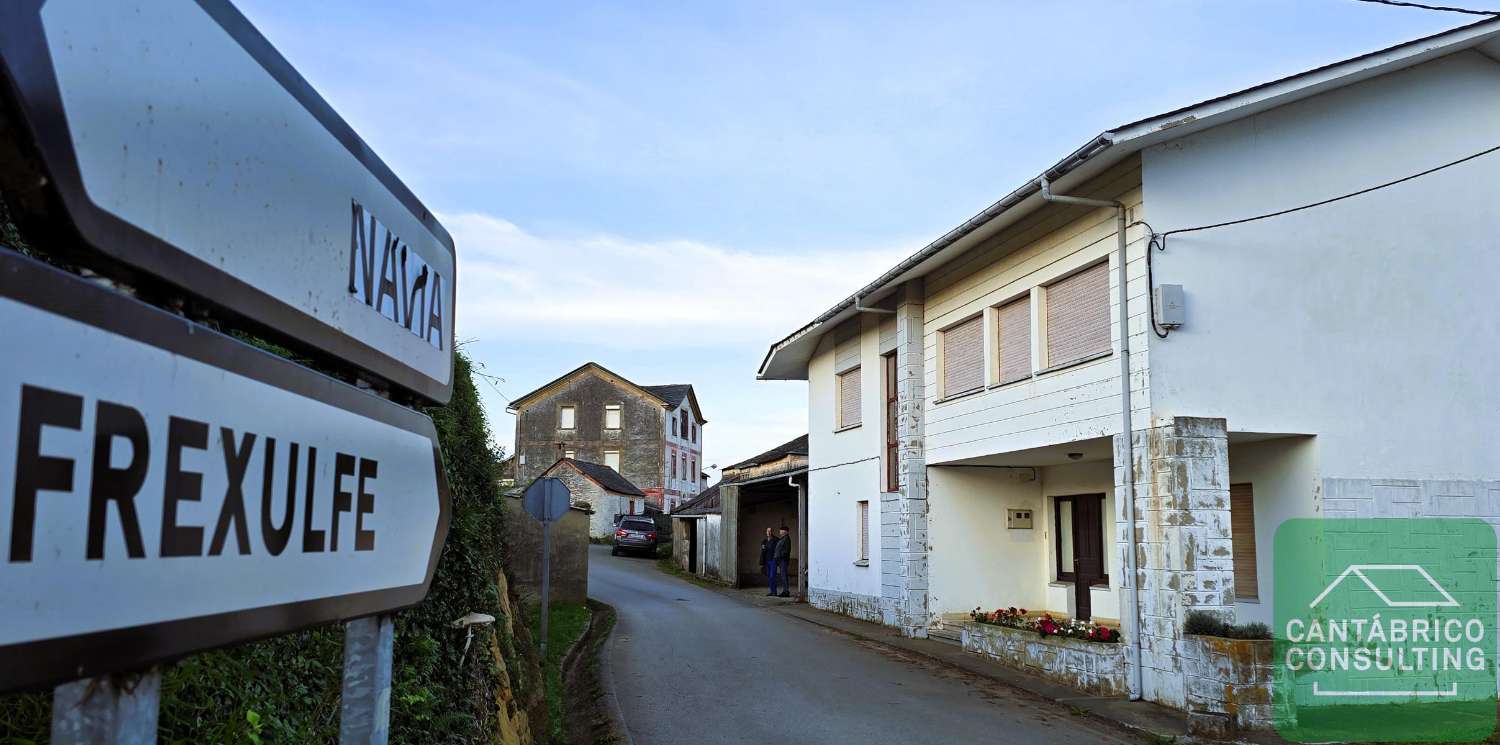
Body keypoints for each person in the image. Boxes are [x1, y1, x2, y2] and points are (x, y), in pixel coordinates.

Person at [773, 526, 792, 598]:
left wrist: (779, 556)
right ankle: (785, 590)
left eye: (781, 531)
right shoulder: (782, 539)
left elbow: (786, 551)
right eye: (780, 531)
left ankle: (786, 592)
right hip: (780, 560)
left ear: (785, 532)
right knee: (783, 576)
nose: (780, 532)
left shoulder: (786, 539)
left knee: (784, 576)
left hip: (783, 560)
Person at [760, 527, 777, 596]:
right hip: (767, 560)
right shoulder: (764, 541)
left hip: (773, 560)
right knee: (769, 577)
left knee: (772, 576)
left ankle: (774, 591)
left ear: (772, 532)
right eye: (768, 531)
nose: (769, 532)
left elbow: (777, 550)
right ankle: (772, 591)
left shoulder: (776, 540)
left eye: (770, 531)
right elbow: (763, 551)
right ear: (766, 532)